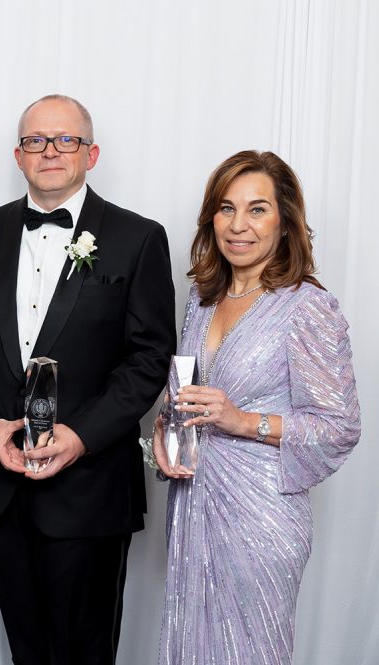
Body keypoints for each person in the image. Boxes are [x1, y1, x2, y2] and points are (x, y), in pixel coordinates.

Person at [0, 94, 177, 665]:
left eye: (66, 140)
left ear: (92, 153)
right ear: (18, 155)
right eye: (36, 140)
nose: (50, 151)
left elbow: (149, 359)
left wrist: (81, 435)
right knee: (26, 648)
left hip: (91, 489)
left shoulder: (138, 238)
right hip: (3, 488)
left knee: (84, 651)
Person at [151, 150, 360, 664]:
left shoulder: (307, 306)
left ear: (286, 222)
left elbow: (339, 427)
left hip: (262, 517)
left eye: (258, 209)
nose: (238, 225)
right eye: (226, 209)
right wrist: (162, 430)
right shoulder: (201, 301)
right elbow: (190, 394)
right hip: (194, 503)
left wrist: (242, 421)